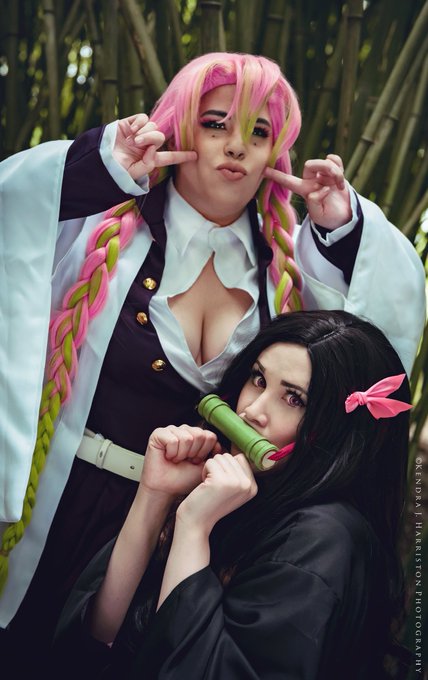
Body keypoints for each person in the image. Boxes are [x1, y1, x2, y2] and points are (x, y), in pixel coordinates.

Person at [0, 52, 424, 661]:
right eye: (216, 123)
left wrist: (341, 228)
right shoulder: (95, 227)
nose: (237, 146)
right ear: (178, 128)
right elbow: (14, 212)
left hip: (186, 527)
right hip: (60, 505)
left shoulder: (292, 267)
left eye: (259, 131)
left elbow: (370, 346)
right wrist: (102, 166)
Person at [52, 310, 413, 680]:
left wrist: (194, 527)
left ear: (339, 433)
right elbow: (93, 640)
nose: (252, 411)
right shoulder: (242, 495)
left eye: (294, 399)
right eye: (259, 379)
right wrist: (154, 495)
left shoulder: (322, 537)